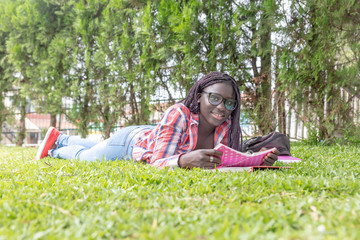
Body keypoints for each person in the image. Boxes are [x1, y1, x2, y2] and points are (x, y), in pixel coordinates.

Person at [35, 72, 279, 169]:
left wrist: (258, 161)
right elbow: (157, 162)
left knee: (97, 145)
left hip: (152, 133)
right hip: (132, 142)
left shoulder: (225, 125)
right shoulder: (179, 114)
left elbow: (226, 160)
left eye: (229, 103)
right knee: (86, 157)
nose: (222, 108)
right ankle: (57, 149)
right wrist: (184, 160)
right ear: (199, 96)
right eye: (215, 98)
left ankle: (62, 137)